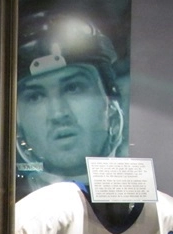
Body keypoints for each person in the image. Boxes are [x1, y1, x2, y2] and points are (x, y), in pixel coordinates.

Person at [15, 10, 125, 197]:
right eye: (35, 97)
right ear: (17, 123)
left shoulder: (149, 207)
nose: (58, 114)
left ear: (110, 102)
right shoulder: (1, 204)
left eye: (73, 88)